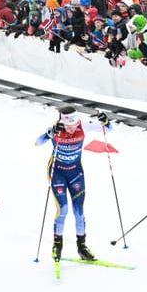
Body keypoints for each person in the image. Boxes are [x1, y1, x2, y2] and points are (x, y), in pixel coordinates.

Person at [35, 105, 94, 263]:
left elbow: (108, 129)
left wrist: (105, 121)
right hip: (57, 173)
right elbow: (37, 142)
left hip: (76, 173)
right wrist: (49, 134)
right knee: (63, 210)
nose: (71, 129)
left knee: (79, 212)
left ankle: (82, 247)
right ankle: (57, 245)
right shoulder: (56, 128)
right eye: (67, 126)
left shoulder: (84, 125)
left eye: (73, 125)